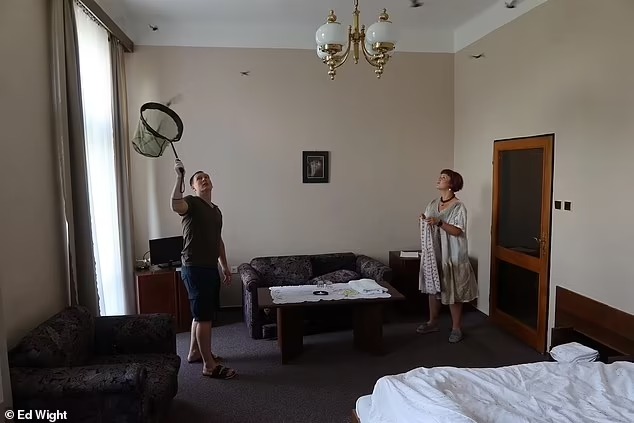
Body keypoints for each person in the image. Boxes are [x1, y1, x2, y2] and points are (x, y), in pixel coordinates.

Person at [170, 158, 237, 379]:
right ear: (193, 187)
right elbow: (175, 205)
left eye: (207, 177)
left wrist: (225, 266)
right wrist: (179, 177)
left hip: (209, 267)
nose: (204, 179)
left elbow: (219, 241)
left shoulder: (216, 211)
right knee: (204, 317)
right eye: (199, 178)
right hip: (194, 267)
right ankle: (209, 365)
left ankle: (195, 352)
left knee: (200, 315)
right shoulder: (191, 202)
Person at [417, 169, 478, 343]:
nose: (439, 179)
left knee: (453, 290)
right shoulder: (433, 203)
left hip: (453, 255)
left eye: (443, 177)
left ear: (452, 184)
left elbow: (458, 231)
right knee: (433, 288)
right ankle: (433, 322)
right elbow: (429, 222)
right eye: (440, 176)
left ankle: (456, 328)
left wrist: (440, 222)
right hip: (436, 253)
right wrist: (424, 220)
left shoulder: (459, 207)